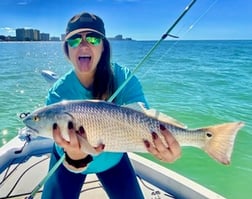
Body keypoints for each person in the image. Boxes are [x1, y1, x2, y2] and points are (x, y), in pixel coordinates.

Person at [41, 12, 181, 199]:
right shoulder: (58, 93)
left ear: (103, 47)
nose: (83, 44)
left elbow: (147, 122)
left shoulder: (124, 78)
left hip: (113, 160)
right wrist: (75, 156)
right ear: (67, 50)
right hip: (68, 163)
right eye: (74, 40)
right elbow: (60, 145)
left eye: (92, 37)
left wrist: (166, 148)